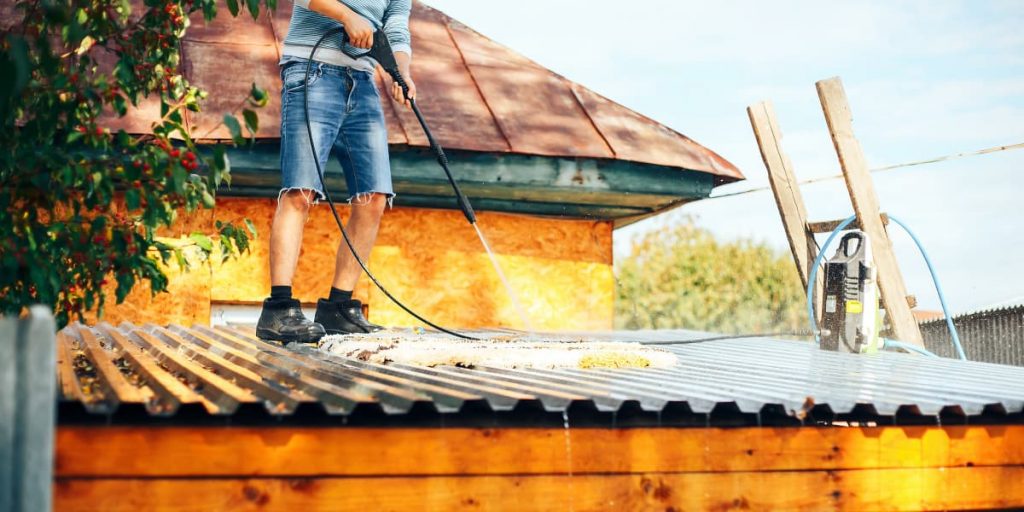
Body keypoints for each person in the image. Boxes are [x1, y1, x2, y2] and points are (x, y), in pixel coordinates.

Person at [255, 0, 416, 343]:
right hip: (312, 71)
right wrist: (346, 15)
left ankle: (338, 308)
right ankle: (278, 310)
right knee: (300, 191)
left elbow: (397, 30)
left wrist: (401, 73)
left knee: (374, 197)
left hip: (362, 81)